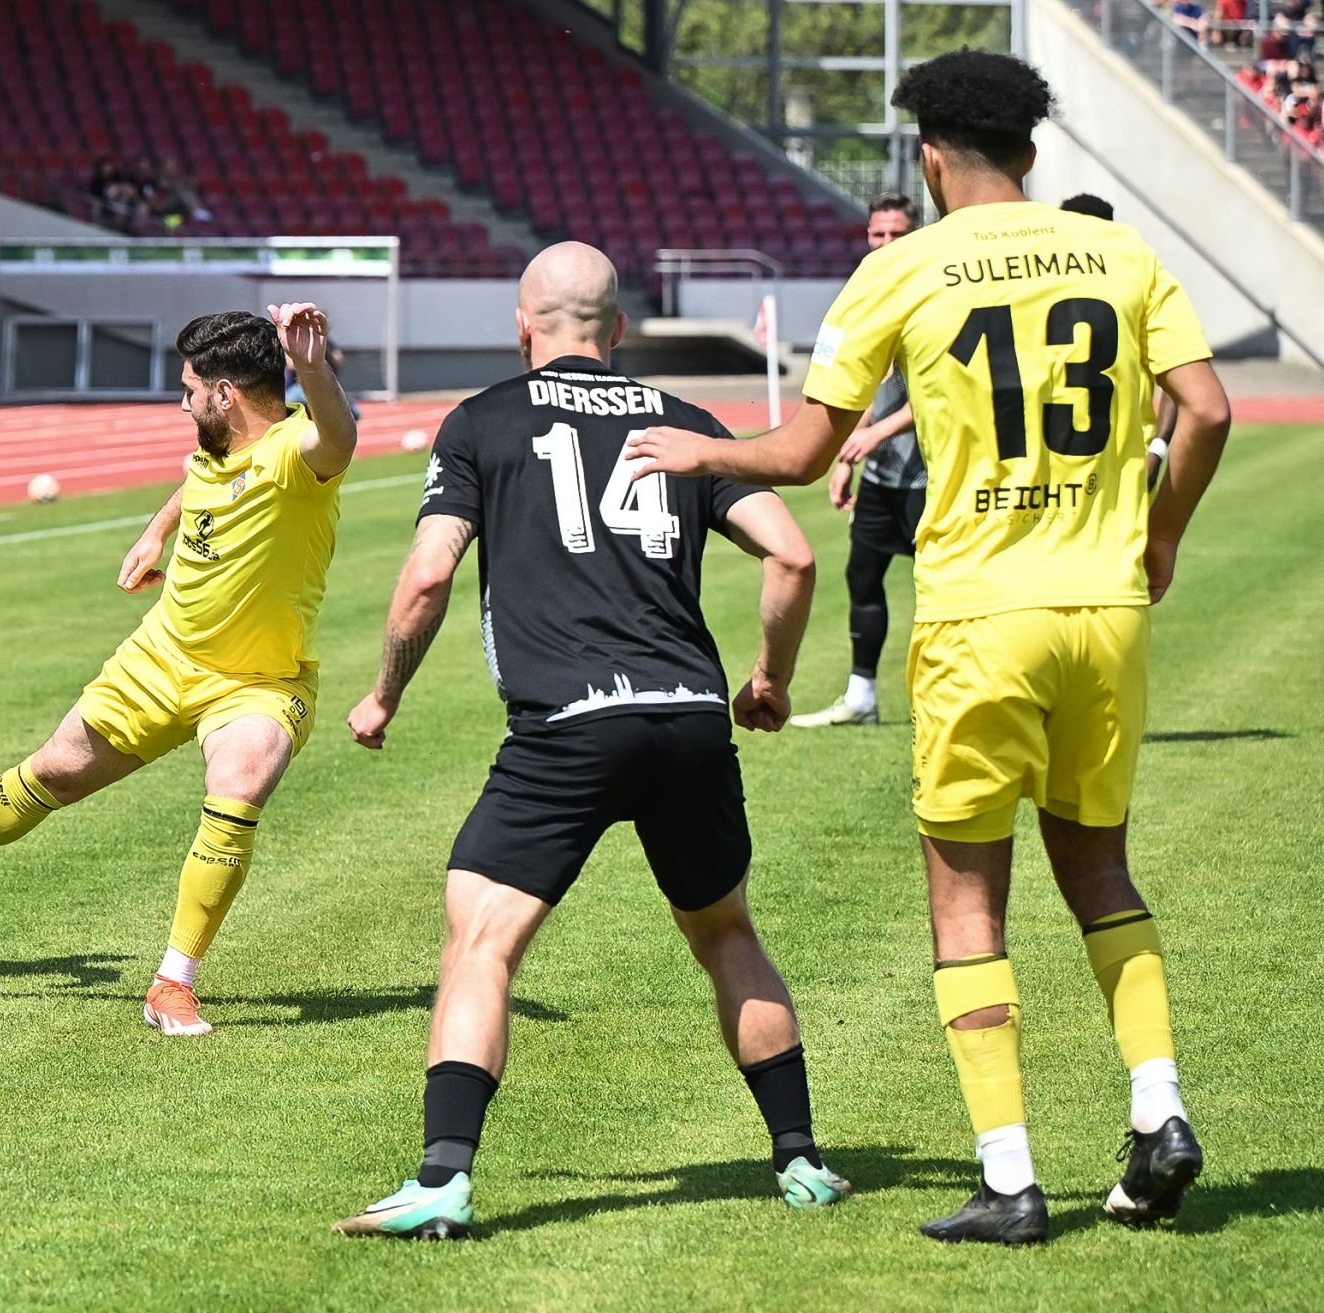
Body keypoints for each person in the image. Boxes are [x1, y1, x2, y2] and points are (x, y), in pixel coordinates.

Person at [625, 49, 1230, 1245]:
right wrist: (1160, 535)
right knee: (1099, 866)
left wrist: (702, 451)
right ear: (1033, 152)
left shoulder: (900, 267)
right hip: (1104, 606)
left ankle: (1010, 1179)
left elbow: (805, 451)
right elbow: (1205, 408)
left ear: (930, 157)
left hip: (979, 616)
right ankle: (1158, 1106)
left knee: (966, 897)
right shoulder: (1120, 254)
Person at [333, 243, 848, 1240]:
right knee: (727, 933)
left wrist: (385, 692)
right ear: (618, 330)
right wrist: (771, 679)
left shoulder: (483, 420)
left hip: (568, 723)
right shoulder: (686, 422)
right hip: (689, 716)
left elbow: (429, 576)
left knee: (481, 941)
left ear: (522, 325)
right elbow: (791, 554)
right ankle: (800, 1160)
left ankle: (442, 1178)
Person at [0, 305, 357, 1035]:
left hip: (257, 683)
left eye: (189, 390)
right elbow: (200, 480)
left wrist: (312, 367)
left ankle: (173, 982)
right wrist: (156, 531)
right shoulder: (218, 445)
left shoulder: (295, 455)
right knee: (51, 773)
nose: (181, 403)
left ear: (226, 394)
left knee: (242, 778)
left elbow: (339, 436)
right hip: (161, 658)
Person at [792, 191, 925, 728]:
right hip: (882, 475)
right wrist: (848, 452)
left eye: (898, 234)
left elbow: (942, 391)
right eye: (878, 234)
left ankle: (959, 700)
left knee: (945, 592)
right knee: (862, 578)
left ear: (917, 235)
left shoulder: (934, 293)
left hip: (933, 477)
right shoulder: (870, 295)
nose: (886, 243)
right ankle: (861, 698)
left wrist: (876, 434)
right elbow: (868, 386)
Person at [1058, 195, 1177, 489]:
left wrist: (1156, 451)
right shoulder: (1139, 287)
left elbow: (1179, 379)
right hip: (1100, 472)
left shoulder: (1138, 289)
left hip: (1105, 471)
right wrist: (1157, 451)